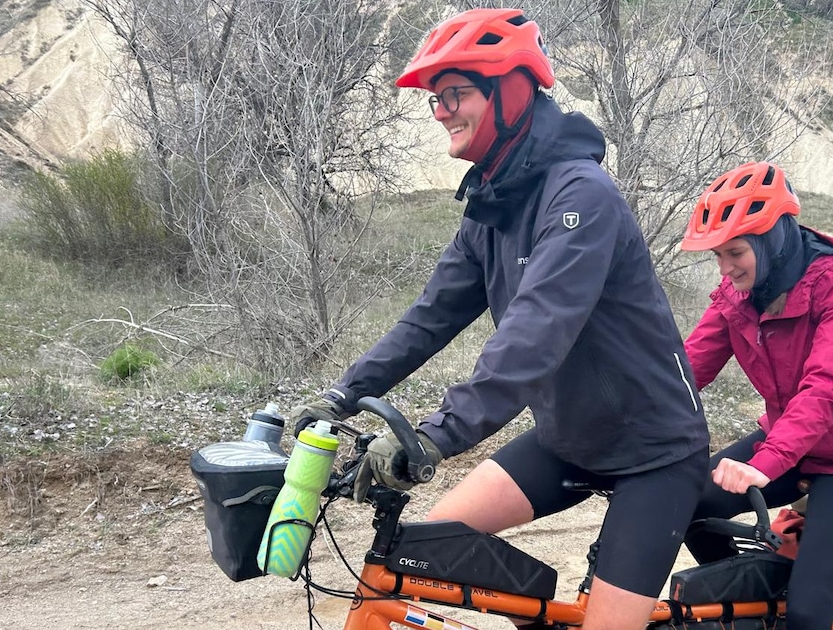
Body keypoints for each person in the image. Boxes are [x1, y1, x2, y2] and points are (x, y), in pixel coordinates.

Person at [292, 8, 710, 629]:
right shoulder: (493, 204)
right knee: (434, 547)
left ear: (510, 92)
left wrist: (435, 436)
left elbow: (535, 333)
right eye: (436, 100)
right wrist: (343, 394)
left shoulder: (581, 195)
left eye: (455, 94)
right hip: (568, 440)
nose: (442, 112)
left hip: (654, 453)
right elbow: (428, 318)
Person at [679, 160, 833, 630]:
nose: (725, 269)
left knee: (809, 612)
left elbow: (827, 387)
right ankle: (752, 599)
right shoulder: (738, 294)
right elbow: (687, 370)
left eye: (735, 252)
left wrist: (765, 462)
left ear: (771, 240)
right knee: (684, 503)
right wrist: (621, 421)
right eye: (717, 256)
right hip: (793, 443)